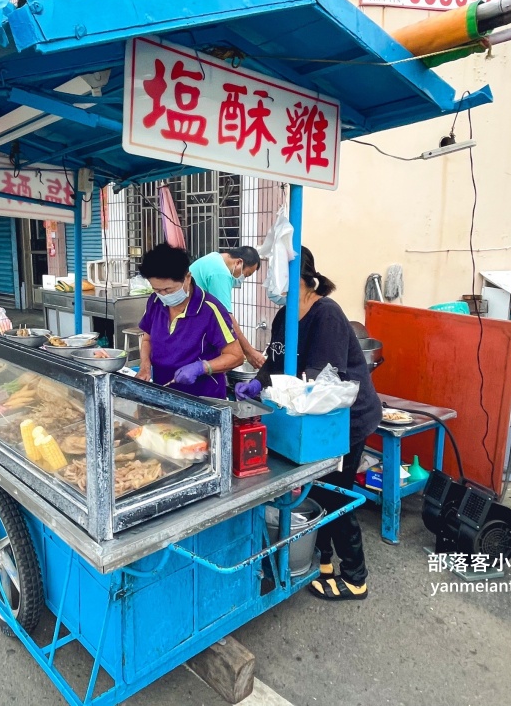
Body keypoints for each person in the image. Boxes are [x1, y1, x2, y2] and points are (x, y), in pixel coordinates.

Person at [236, 248, 381, 601]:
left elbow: (319, 379)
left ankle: (355, 577)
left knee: (336, 493)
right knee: (319, 489)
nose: (277, 289)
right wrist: (257, 382)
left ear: (304, 280)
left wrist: (278, 394)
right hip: (308, 419)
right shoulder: (285, 315)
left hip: (344, 419)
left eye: (284, 281)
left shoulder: (326, 315)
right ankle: (326, 562)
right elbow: (273, 361)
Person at [136, 243, 245, 399]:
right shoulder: (155, 301)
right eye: (157, 289)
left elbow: (236, 356)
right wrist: (145, 366)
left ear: (187, 278)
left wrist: (202, 367)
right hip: (164, 394)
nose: (163, 295)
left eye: (168, 290)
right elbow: (147, 339)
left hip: (203, 400)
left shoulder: (211, 310)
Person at [189, 246, 266, 369]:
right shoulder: (220, 273)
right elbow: (225, 317)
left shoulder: (214, 258)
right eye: (246, 274)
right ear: (239, 262)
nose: (243, 279)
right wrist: (249, 351)